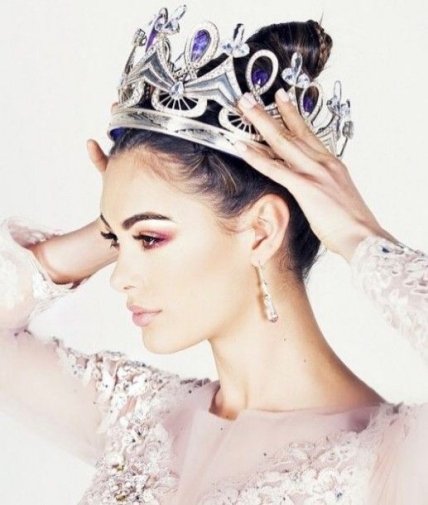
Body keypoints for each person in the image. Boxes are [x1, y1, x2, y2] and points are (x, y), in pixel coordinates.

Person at [1, 10, 427, 505]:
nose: (120, 278)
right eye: (118, 242)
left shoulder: (387, 458)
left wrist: (360, 237)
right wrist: (116, 222)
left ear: (261, 231)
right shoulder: (141, 418)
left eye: (151, 239)